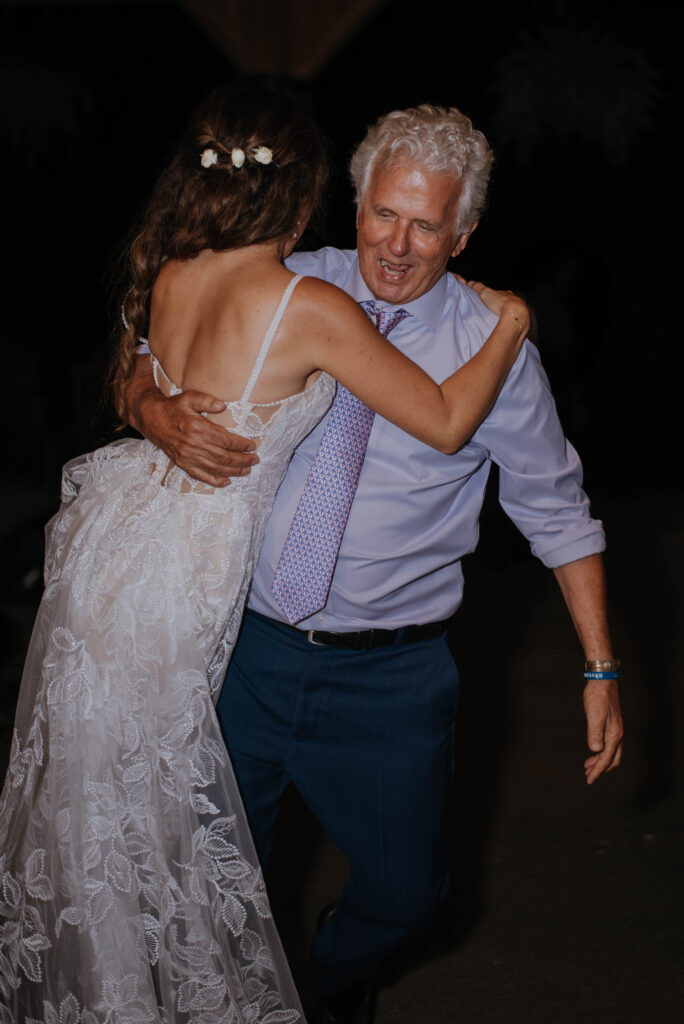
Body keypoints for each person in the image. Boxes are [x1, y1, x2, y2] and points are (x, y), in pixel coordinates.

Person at [0, 89, 530, 1024]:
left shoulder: (172, 269)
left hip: (110, 558)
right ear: (303, 196)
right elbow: (447, 422)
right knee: (178, 822)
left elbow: (133, 369)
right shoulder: (309, 304)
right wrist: (514, 326)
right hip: (186, 577)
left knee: (120, 816)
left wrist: (149, 406)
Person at [127, 103, 624, 1024]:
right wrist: (152, 410)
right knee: (214, 877)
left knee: (407, 899)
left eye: (426, 224)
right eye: (382, 215)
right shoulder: (288, 286)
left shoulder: (494, 350)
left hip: (391, 672)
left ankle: (323, 986)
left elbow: (557, 511)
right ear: (352, 208)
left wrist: (600, 667)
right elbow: (156, 338)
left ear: (463, 232)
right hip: (247, 648)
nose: (396, 245)